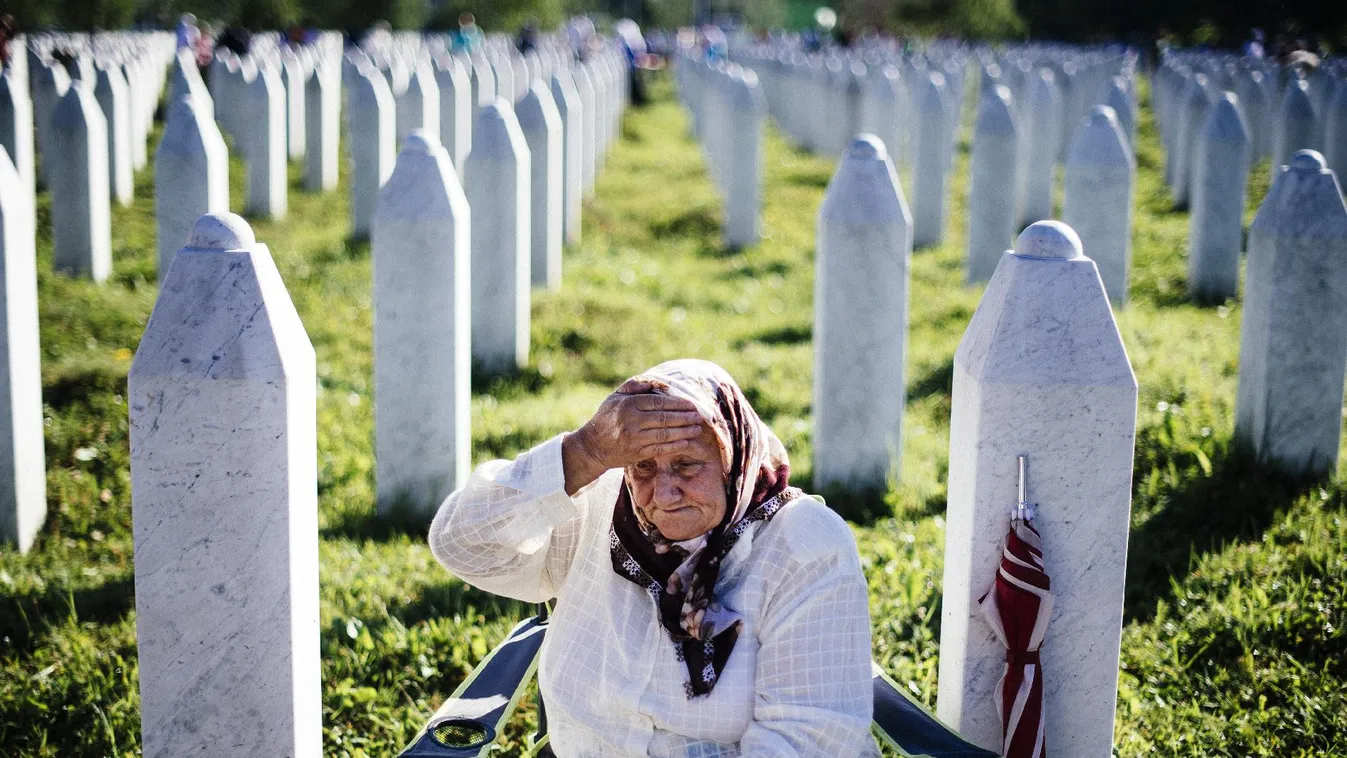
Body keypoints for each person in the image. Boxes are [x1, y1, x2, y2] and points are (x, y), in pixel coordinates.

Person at [430, 360, 878, 756]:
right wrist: (582, 453)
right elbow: (462, 545)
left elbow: (807, 740)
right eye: (643, 466)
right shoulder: (602, 504)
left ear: (733, 458)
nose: (663, 493)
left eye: (687, 465)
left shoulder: (805, 546)